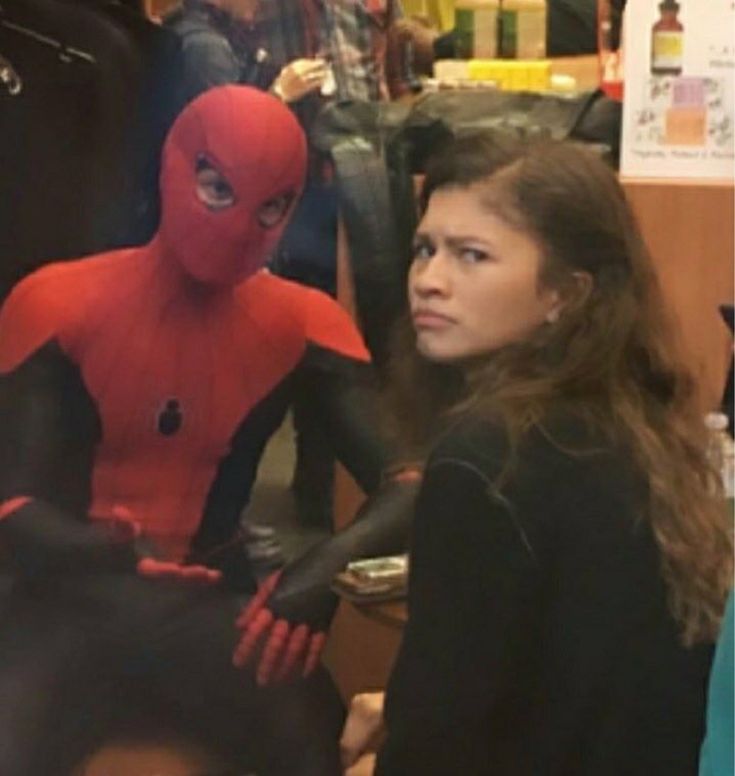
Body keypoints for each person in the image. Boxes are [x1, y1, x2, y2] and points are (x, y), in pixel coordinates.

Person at [0, 84, 416, 775]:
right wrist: (105, 551)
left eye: (270, 208)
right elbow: (10, 505)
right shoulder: (56, 302)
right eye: (216, 189)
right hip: (66, 596)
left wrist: (313, 577)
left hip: (212, 605)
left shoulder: (304, 323)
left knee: (324, 755)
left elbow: (411, 480)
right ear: (174, 166)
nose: (236, 227)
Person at [340, 134, 733, 775]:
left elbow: (436, 742)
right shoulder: (638, 421)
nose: (429, 282)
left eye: (472, 256)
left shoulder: (486, 456)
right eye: (425, 249)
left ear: (565, 294)